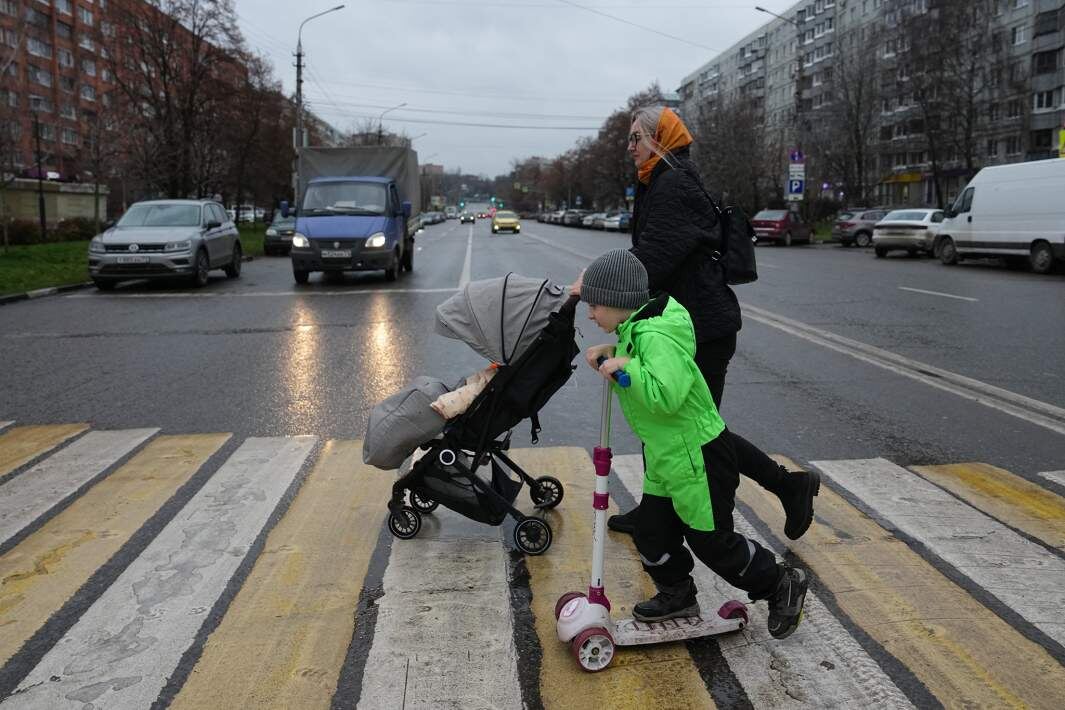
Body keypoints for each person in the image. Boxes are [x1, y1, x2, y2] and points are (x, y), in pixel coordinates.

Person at [577, 105, 819, 541]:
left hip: (699, 329)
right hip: (676, 323)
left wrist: (599, 282)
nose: (630, 147)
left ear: (659, 139)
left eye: (636, 138)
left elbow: (655, 257)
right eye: (628, 139)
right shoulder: (659, 181)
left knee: (698, 432)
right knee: (668, 421)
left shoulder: (674, 184)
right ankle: (655, 511)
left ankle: (788, 485)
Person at [581, 249, 807, 638]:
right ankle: (677, 593)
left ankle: (779, 582)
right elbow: (645, 366)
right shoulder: (635, 329)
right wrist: (617, 353)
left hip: (697, 455)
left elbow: (665, 395)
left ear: (618, 302)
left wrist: (625, 365)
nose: (589, 314)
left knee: (712, 542)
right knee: (651, 533)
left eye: (594, 305)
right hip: (668, 457)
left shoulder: (655, 336)